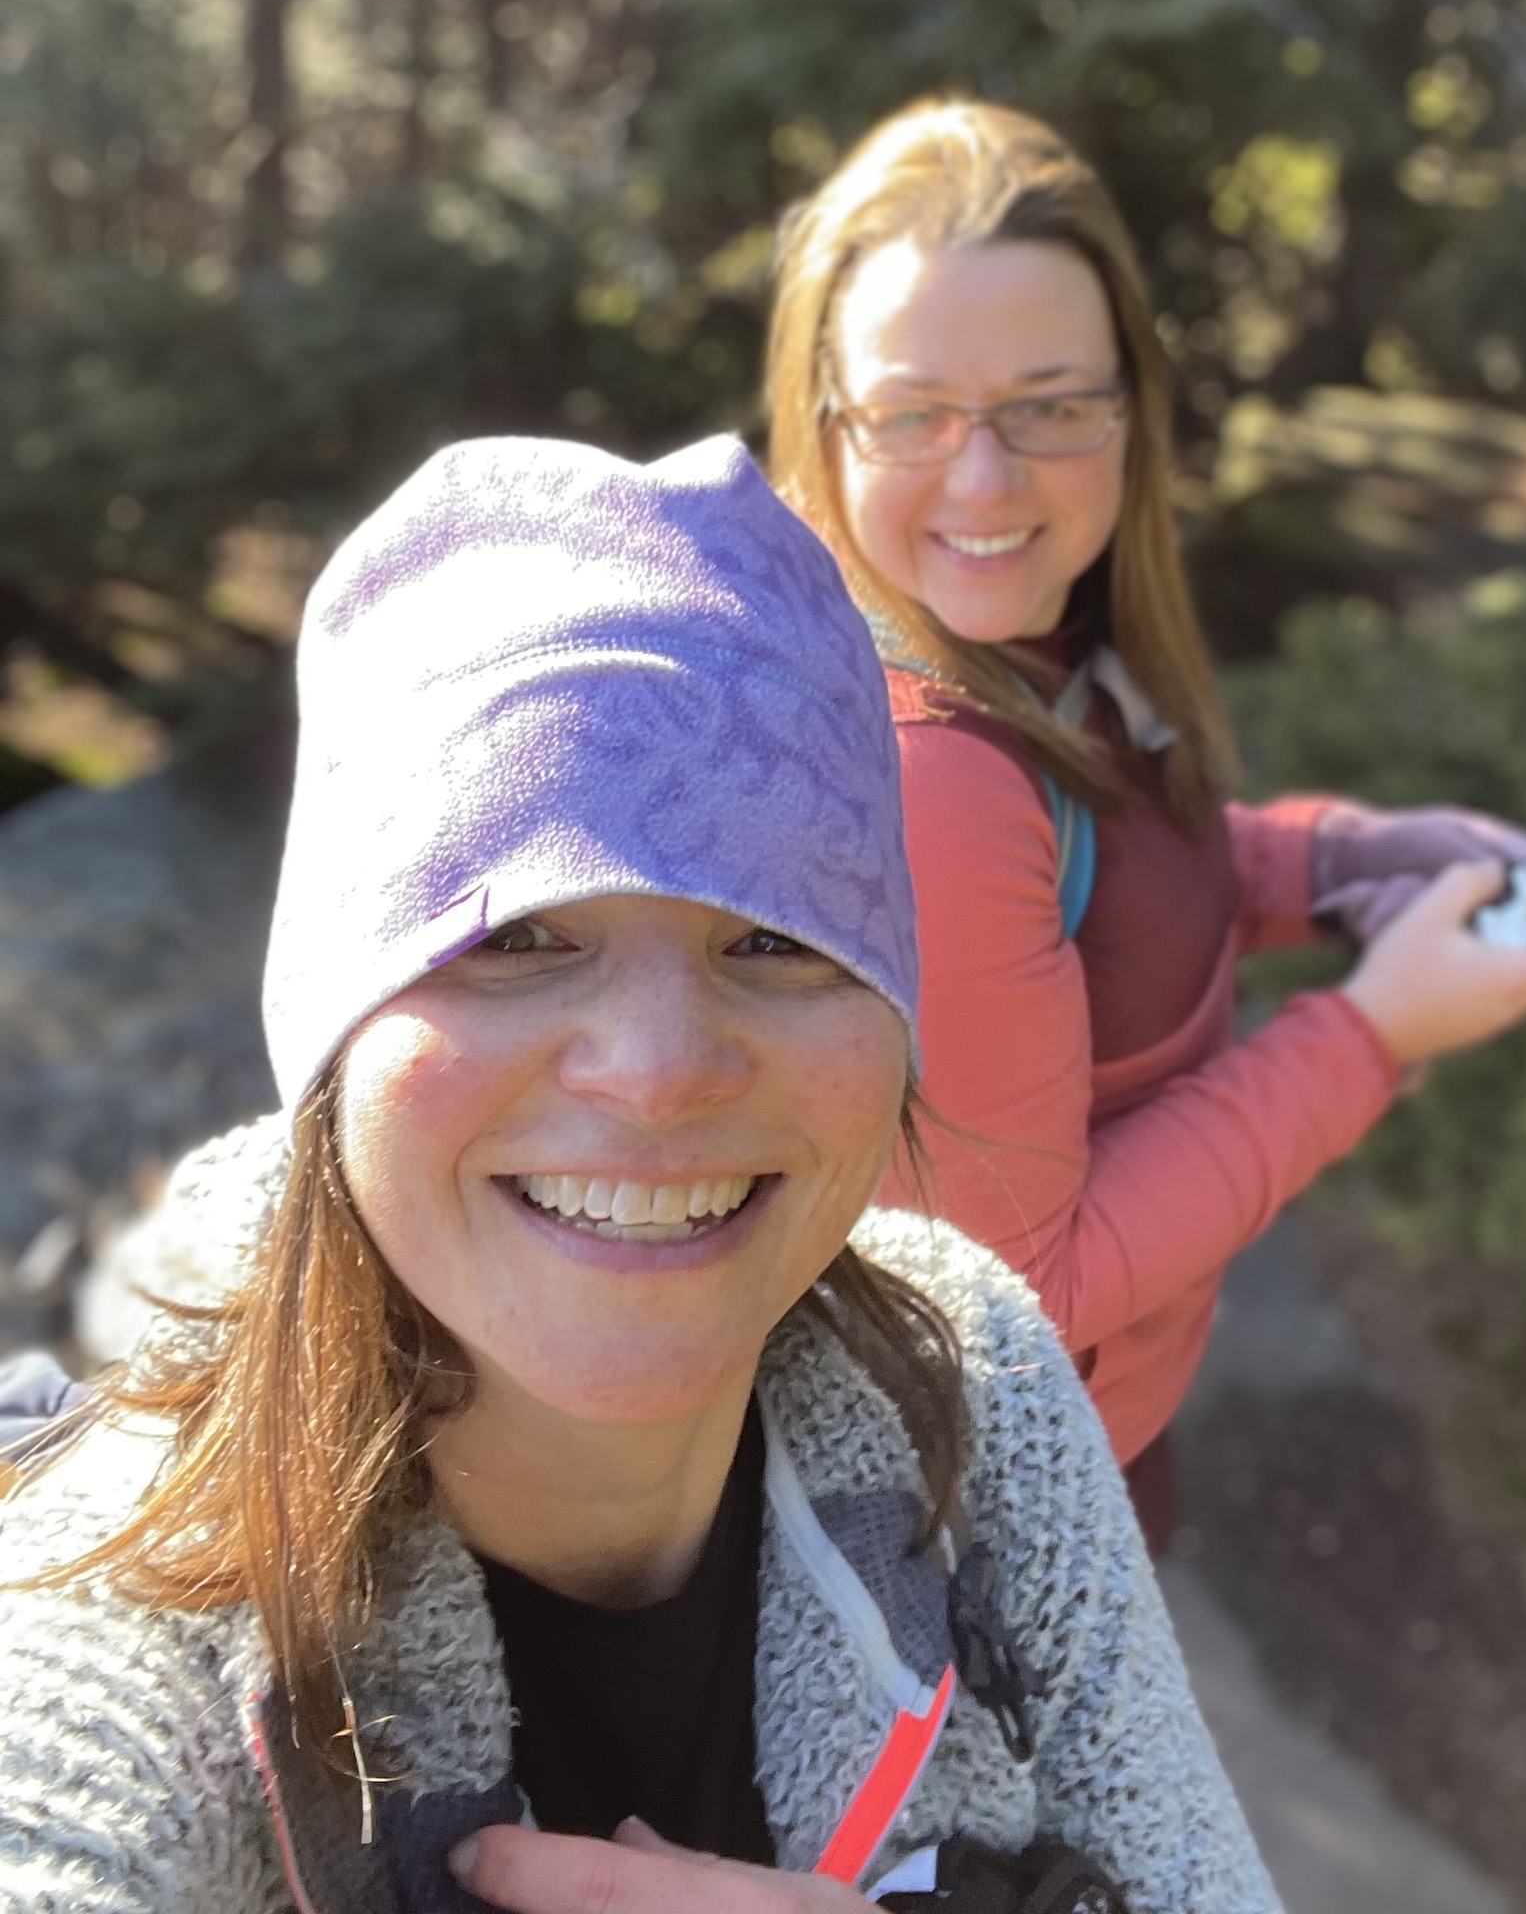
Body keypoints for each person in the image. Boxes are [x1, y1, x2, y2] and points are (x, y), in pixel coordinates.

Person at [0, 434, 1276, 1914]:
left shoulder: (971, 1382)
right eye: (516, 936)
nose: (662, 1071)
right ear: (332, 1023)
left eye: (777, 937)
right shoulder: (121, 1592)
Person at [767, 99, 1526, 1534]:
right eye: (913, 414)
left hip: (1100, 1441)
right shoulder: (933, 777)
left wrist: (1338, 862)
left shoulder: (1041, 642)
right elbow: (1019, 1288)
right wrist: (1371, 1035)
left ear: (1128, 411)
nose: (986, 476)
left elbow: (1129, 874)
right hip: (1004, 1526)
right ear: (827, 426)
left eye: (1050, 405)